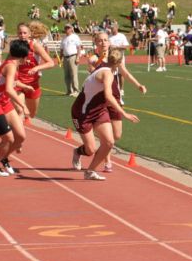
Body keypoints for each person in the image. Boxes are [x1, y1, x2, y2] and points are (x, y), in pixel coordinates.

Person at [70, 49, 140, 181]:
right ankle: (77, 151)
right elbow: (108, 95)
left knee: (109, 142)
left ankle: (90, 171)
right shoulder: (107, 74)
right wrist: (124, 113)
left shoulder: (106, 70)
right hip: (82, 112)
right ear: (119, 63)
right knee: (90, 149)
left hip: (99, 110)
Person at [84, 32, 147, 173]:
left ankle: (96, 149)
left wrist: (138, 85)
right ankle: (107, 160)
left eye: (105, 40)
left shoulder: (115, 57)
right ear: (96, 43)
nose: (103, 43)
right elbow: (92, 76)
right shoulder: (93, 58)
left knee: (117, 135)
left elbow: (124, 72)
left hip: (116, 98)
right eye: (100, 41)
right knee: (108, 137)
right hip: (101, 99)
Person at [0, 39, 30, 177]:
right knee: (8, 139)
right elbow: (9, 89)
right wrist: (22, 105)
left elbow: (11, 82)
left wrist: (25, 86)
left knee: (20, 136)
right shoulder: (11, 66)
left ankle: (4, 158)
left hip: (3, 103)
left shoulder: (12, 63)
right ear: (23, 56)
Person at [15, 21, 55, 119]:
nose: (22, 35)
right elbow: (8, 62)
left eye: (24, 33)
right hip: (18, 83)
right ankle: (18, 132)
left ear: (29, 34)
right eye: (20, 33)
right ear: (17, 34)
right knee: (20, 110)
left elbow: (51, 63)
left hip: (32, 84)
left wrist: (37, 68)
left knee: (31, 114)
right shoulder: (15, 45)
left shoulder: (35, 45)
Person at [60, 23, 82, 95]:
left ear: (71, 29)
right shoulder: (64, 38)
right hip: (65, 58)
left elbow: (79, 47)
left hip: (73, 56)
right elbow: (61, 49)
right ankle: (69, 90)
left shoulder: (75, 37)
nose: (67, 29)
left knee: (73, 74)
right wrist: (60, 58)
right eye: (66, 28)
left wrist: (78, 57)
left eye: (68, 28)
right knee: (66, 75)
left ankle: (76, 90)